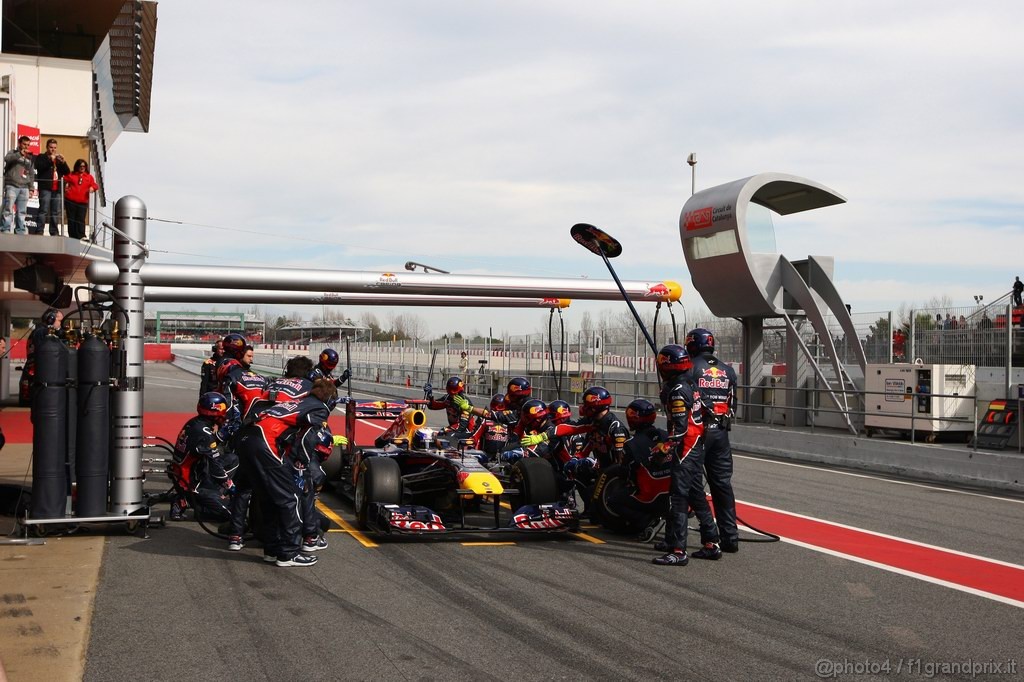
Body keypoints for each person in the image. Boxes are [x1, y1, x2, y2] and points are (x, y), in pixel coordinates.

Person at [229, 378, 338, 566]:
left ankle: (272, 550)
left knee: (269, 499)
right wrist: (300, 464)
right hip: (264, 441)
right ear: (330, 401)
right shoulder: (318, 408)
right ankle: (289, 552)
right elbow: (307, 439)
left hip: (245, 438)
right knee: (290, 498)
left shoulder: (297, 401)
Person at [651, 343, 708, 566]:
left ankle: (678, 550)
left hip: (686, 446)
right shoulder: (688, 384)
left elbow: (680, 427)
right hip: (696, 444)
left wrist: (666, 446)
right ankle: (711, 542)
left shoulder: (677, 391)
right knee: (696, 495)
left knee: (678, 498)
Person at [686, 327, 740, 556]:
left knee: (691, 483)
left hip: (699, 433)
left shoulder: (690, 368)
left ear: (691, 345)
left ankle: (710, 535)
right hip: (721, 434)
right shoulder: (728, 370)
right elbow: (734, 405)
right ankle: (730, 537)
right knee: (722, 485)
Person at [167, 392, 236, 521]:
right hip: (190, 483)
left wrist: (220, 435)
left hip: (191, 470)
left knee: (232, 459)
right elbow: (215, 467)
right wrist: (230, 485)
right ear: (215, 412)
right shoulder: (203, 433)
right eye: (223, 411)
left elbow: (206, 447)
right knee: (235, 514)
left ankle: (203, 497)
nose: (224, 415)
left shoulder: (195, 422)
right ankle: (186, 501)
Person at [33, 139, 69, 236]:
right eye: (51, 147)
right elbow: (39, 167)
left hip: (57, 189)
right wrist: (50, 160)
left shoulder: (58, 159)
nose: (53, 150)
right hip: (46, 188)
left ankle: (54, 231)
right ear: (47, 147)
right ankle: (39, 230)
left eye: (54, 148)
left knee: (55, 211)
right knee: (43, 209)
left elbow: (67, 172)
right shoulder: (41, 157)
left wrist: (63, 162)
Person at [2, 135, 37, 235]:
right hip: (12, 185)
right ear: (19, 143)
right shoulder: (13, 152)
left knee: (22, 211)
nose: (26, 146)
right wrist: (19, 154)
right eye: (24, 144)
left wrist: (31, 188)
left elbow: (31, 173)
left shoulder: (29, 157)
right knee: (8, 209)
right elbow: (6, 159)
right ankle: (5, 229)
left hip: (24, 187)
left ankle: (20, 230)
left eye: (28, 145)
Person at [62, 159, 98, 240]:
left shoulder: (89, 177)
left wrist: (92, 188)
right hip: (70, 200)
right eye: (80, 166)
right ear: (77, 167)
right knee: (71, 219)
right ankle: (72, 235)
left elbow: (95, 185)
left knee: (81, 218)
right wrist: (65, 188)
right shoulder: (72, 175)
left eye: (84, 166)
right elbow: (63, 179)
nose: (82, 168)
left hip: (82, 201)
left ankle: (81, 235)